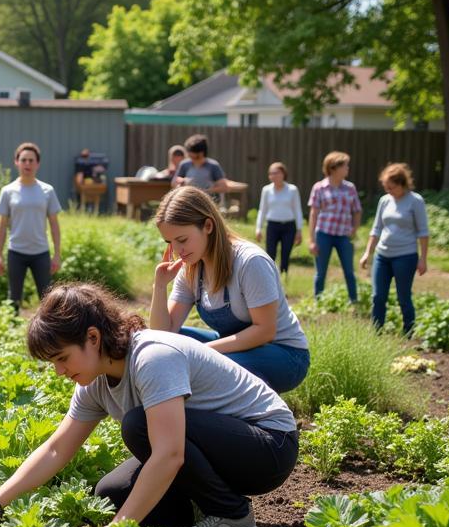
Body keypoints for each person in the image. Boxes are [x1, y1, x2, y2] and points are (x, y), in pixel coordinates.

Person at [0, 283, 299, 527]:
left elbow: (169, 454)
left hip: (269, 446)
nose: (59, 371)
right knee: (110, 493)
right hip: (222, 446)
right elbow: (55, 449)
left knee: (138, 426)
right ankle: (199, 507)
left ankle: (233, 515)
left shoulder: (153, 358)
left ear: (93, 338)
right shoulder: (94, 384)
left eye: (62, 358)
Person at [149, 186, 310, 393]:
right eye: (170, 242)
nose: (177, 250)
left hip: (284, 355)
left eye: (182, 240)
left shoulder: (251, 262)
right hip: (238, 348)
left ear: (208, 225)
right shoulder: (190, 266)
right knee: (166, 346)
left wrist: (203, 353)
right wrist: (160, 285)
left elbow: (265, 331)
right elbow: (163, 333)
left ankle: (262, 417)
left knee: (205, 367)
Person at [359, 162, 429, 335]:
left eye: (391, 187)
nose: (388, 191)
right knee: (377, 296)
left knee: (403, 297)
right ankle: (376, 332)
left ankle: (409, 331)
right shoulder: (384, 201)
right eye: (385, 187)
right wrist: (368, 252)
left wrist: (423, 259)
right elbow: (376, 229)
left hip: (405, 256)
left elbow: (423, 232)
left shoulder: (415, 201)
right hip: (382, 255)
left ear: (402, 184)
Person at [0, 141, 63, 313]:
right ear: (16, 162)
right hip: (16, 252)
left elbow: (54, 225)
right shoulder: (8, 191)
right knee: (14, 298)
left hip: (40, 253)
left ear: (37, 164)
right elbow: (1, 226)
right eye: (24, 160)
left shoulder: (47, 190)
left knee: (47, 299)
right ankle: (10, 331)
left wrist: (57, 255)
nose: (27, 164)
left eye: (31, 160)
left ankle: (48, 336)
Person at [308, 151, 362, 302]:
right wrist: (312, 240)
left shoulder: (350, 188)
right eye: (345, 166)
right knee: (321, 272)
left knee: (349, 271)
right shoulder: (319, 188)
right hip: (323, 235)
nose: (347, 169)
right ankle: (318, 301)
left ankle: (354, 301)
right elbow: (313, 214)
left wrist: (354, 229)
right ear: (333, 168)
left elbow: (357, 210)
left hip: (344, 236)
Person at [255, 162, 303, 276]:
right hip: (272, 226)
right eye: (270, 173)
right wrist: (258, 228)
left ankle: (283, 279)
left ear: (283, 174)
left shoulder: (292, 190)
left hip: (289, 227)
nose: (273, 176)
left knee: (285, 254)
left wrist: (299, 230)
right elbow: (262, 210)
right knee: (270, 254)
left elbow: (297, 210)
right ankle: (271, 277)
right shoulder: (266, 190)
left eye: (276, 173)